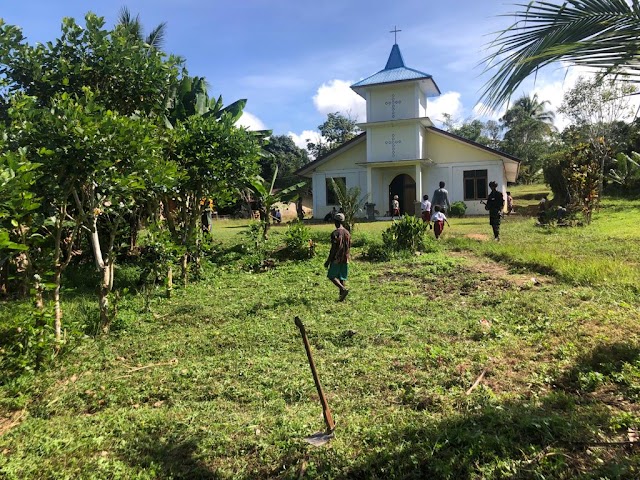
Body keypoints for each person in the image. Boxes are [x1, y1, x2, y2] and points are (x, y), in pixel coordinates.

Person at [324, 213, 351, 301]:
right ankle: (341, 297)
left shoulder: (335, 233)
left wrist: (328, 260)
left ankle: (343, 289)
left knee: (331, 276)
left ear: (335, 222)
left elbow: (333, 248)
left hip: (337, 258)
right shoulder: (347, 233)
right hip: (346, 257)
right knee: (342, 277)